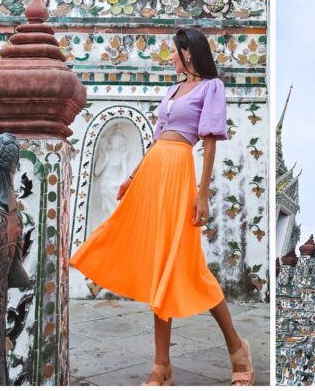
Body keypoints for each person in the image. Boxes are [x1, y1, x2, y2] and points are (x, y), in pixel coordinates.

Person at [70, 28, 253, 386]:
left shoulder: (210, 87)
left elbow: (210, 142)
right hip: (154, 174)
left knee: (186, 265)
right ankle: (161, 366)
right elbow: (156, 142)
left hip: (181, 173)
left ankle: (237, 349)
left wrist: (203, 193)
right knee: (158, 266)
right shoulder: (172, 92)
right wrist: (133, 176)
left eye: (174, 52)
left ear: (188, 53)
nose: (171, 58)